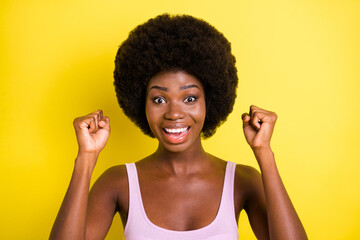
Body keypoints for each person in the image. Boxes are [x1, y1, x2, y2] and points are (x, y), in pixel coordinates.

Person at [50, 14, 307, 240]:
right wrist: (86, 158)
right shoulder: (119, 182)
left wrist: (264, 153)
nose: (174, 113)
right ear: (142, 104)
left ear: (211, 101)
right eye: (159, 99)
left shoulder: (243, 180)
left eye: (190, 98)